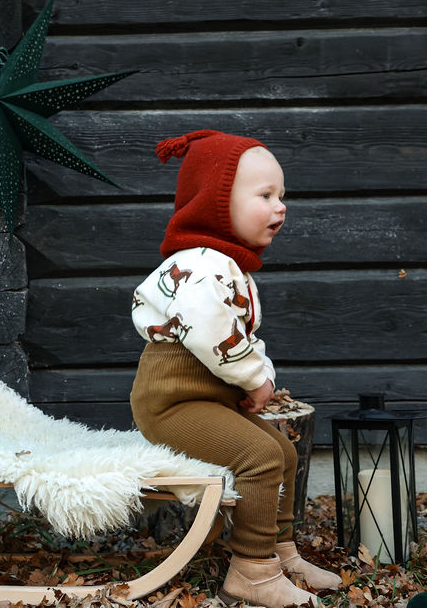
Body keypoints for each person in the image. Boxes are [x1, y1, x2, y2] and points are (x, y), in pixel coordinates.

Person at [130, 130, 340, 607]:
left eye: (282, 195)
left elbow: (239, 337)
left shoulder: (225, 265)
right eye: (265, 196)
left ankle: (280, 553)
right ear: (217, 203)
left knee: (282, 452)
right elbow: (209, 331)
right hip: (172, 405)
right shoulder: (201, 266)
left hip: (202, 399)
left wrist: (257, 377)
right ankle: (252, 571)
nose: (280, 207)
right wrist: (254, 378)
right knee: (259, 456)